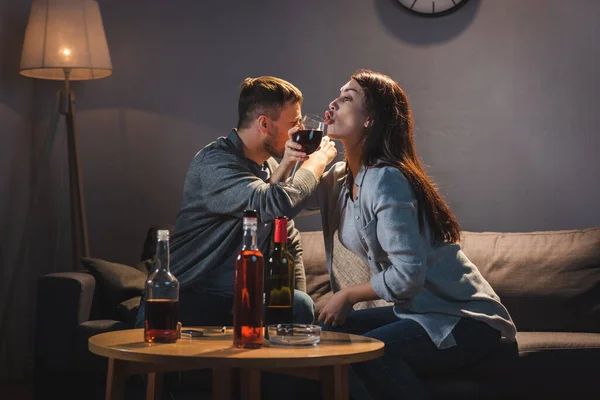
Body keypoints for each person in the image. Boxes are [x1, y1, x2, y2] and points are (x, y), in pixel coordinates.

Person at [287, 69, 517, 399]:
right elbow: (284, 206)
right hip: (417, 311)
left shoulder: (386, 179)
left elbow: (409, 277)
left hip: (463, 318)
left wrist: (348, 295)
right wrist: (293, 162)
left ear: (370, 120)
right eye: (337, 96)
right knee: (323, 339)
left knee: (366, 352)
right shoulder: (339, 177)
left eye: (348, 98)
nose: (333, 103)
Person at [135, 76, 337, 330]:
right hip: (189, 296)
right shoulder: (215, 163)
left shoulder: (272, 166)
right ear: (264, 123)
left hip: (241, 301)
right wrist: (316, 163)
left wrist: (298, 304)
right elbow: (271, 203)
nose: (298, 131)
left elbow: (287, 237)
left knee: (299, 305)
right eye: (293, 123)